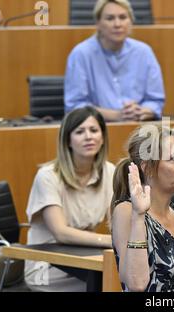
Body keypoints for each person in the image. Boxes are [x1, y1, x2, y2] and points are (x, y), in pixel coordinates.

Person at [25, 106, 115, 291]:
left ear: (103, 137)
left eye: (94, 130)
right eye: (80, 132)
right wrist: (110, 241)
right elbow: (61, 233)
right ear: (68, 140)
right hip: (47, 266)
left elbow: (118, 221)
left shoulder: (110, 171)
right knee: (110, 282)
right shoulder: (48, 176)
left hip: (86, 260)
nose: (88, 136)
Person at [109, 125, 174, 291]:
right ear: (147, 168)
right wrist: (138, 215)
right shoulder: (126, 211)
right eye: (173, 158)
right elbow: (136, 284)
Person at [64, 0, 164, 122]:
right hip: (97, 130)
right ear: (98, 23)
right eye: (110, 18)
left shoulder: (144, 52)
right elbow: (74, 106)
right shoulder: (81, 54)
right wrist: (117, 115)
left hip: (139, 128)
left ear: (131, 21)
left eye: (123, 17)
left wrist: (143, 111)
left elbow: (156, 100)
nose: (117, 24)